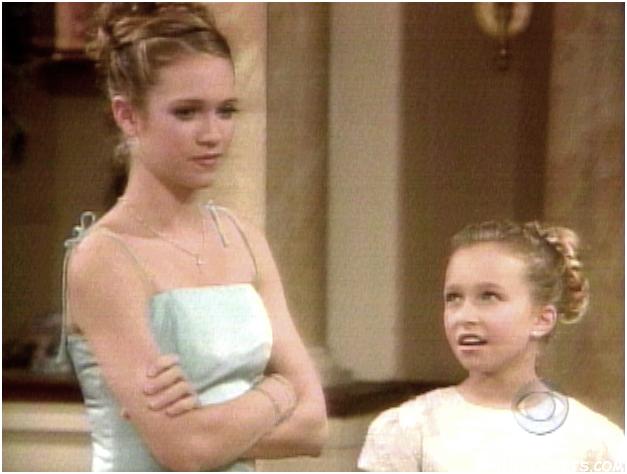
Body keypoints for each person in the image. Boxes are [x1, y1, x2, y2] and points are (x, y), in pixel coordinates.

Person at [59, 3, 327, 471]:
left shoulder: (244, 240)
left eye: (226, 111)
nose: (213, 134)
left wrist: (209, 429)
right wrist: (280, 390)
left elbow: (314, 426)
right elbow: (184, 450)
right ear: (127, 116)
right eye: (187, 112)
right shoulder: (103, 258)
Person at [358, 220, 625, 472]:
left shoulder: (595, 443)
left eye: (489, 296)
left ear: (542, 319)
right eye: (454, 298)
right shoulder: (409, 431)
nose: (464, 316)